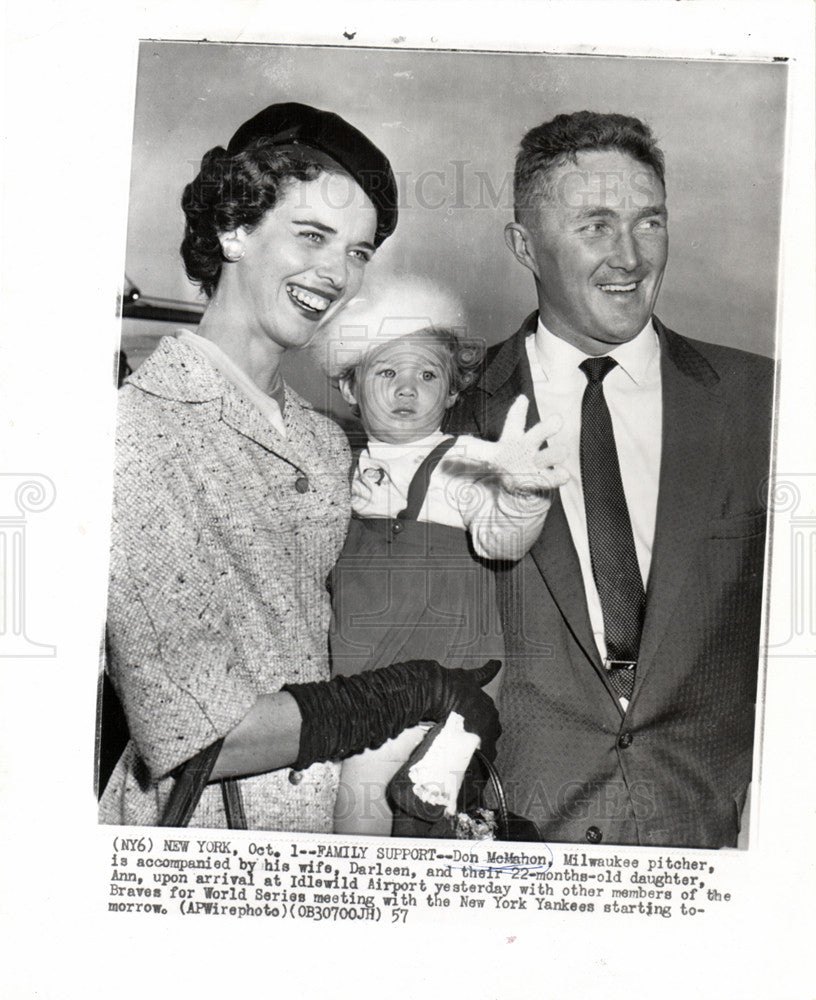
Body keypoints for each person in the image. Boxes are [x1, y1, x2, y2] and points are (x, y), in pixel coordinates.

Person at [100, 102, 500, 832]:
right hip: (205, 837)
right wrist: (413, 693)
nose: (337, 274)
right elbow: (197, 739)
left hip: (343, 819)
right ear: (234, 227)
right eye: (312, 235)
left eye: (357, 251)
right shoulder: (137, 430)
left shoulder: (321, 441)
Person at [446, 111, 773, 849]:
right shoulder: (448, 413)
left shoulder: (766, 402)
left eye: (649, 222)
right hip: (515, 853)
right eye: (594, 225)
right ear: (524, 246)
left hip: (713, 845)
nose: (629, 256)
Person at [318, 278, 569, 835]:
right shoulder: (338, 464)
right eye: (387, 373)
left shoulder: (465, 463)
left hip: (441, 685)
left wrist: (522, 494)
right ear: (351, 387)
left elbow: (501, 539)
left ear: (453, 393)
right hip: (359, 685)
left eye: (428, 375)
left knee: (364, 828)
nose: (409, 388)